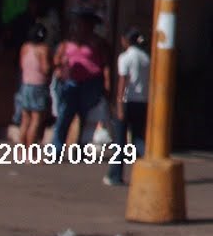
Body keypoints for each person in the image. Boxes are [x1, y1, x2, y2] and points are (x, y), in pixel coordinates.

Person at [52, 11, 112, 155]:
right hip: (70, 83)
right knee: (64, 115)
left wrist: (107, 84)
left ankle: (81, 148)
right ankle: (56, 149)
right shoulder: (67, 42)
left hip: (91, 83)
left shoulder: (97, 42)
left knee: (86, 118)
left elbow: (106, 64)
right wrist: (61, 65)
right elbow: (56, 59)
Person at [106, 28, 150, 186]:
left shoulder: (125, 57)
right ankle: (144, 171)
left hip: (127, 101)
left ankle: (115, 175)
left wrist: (118, 103)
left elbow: (123, 81)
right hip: (142, 102)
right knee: (138, 138)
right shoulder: (146, 58)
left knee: (120, 141)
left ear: (126, 40)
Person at [15, 24, 52, 147]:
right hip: (38, 85)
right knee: (36, 120)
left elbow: (21, 64)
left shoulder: (25, 47)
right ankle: (31, 151)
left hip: (25, 85)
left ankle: (21, 151)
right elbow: (45, 69)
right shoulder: (43, 49)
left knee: (25, 120)